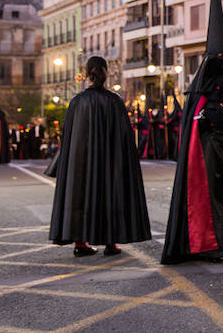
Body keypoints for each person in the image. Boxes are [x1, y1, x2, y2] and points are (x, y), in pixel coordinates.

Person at [162, 0, 223, 264]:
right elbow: (199, 119)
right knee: (212, 195)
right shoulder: (200, 89)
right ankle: (212, 242)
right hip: (210, 147)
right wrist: (217, 115)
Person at [48, 57, 151, 257]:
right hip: (109, 161)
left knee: (80, 196)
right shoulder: (114, 101)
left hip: (81, 161)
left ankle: (80, 242)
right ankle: (110, 243)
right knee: (110, 195)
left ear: (87, 74)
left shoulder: (77, 102)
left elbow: (68, 135)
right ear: (105, 73)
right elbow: (124, 136)